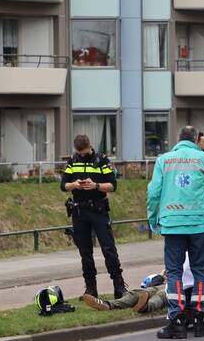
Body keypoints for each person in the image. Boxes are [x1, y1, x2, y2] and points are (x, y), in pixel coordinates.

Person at [147, 125, 204, 340]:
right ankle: (200, 319)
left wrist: (153, 218)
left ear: (178, 139)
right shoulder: (203, 158)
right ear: (196, 140)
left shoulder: (164, 160)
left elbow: (153, 192)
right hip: (199, 223)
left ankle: (177, 320)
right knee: (200, 271)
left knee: (174, 272)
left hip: (172, 223)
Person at [61, 134, 126, 300]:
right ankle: (90, 289)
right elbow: (63, 185)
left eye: (84, 152)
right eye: (79, 153)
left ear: (90, 146)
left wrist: (96, 186)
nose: (82, 155)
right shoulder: (72, 161)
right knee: (85, 251)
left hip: (98, 210)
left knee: (108, 248)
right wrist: (74, 185)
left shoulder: (102, 160)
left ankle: (119, 286)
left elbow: (112, 185)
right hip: (79, 212)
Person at [82, 272, 169, 314]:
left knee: (162, 294)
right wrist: (162, 275)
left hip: (175, 288)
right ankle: (107, 304)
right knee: (138, 293)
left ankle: (145, 307)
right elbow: (161, 275)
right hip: (165, 283)